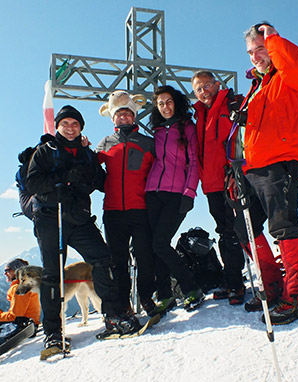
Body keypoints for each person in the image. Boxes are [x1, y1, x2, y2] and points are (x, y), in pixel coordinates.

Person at [26, 105, 143, 350]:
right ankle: (53, 332)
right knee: (52, 274)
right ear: (58, 126)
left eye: (75, 124)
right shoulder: (45, 151)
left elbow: (101, 183)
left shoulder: (87, 153)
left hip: (79, 217)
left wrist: (89, 174)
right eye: (65, 124)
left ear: (81, 128)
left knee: (103, 258)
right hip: (51, 217)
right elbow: (33, 182)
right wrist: (64, 178)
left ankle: (112, 315)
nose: (70, 128)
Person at [231, 22, 298, 325]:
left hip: (281, 161)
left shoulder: (290, 76)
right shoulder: (257, 88)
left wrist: (272, 37)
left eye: (261, 48)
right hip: (252, 166)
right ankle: (272, 288)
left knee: (283, 225)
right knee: (245, 228)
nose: (256, 55)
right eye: (251, 52)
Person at [191, 71, 283, 308]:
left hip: (233, 179)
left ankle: (270, 281)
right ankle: (234, 283)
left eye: (206, 86)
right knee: (225, 231)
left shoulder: (234, 104)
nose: (203, 91)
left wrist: (238, 171)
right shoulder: (199, 115)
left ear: (217, 84)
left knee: (242, 230)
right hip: (210, 184)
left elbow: (244, 138)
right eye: (198, 89)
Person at [97, 91, 157, 316]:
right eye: (118, 115)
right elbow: (89, 169)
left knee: (144, 256)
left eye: (127, 114)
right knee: (117, 260)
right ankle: (124, 303)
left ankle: (146, 297)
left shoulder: (148, 143)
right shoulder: (105, 143)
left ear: (134, 117)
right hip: (112, 211)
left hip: (140, 209)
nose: (123, 118)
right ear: (112, 118)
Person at [145, 85, 204, 311]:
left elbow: (194, 162)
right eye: (160, 103)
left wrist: (190, 191)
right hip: (153, 193)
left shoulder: (187, 128)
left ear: (176, 102)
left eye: (168, 102)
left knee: (160, 242)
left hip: (176, 193)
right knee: (156, 245)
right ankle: (165, 295)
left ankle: (191, 288)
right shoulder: (158, 131)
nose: (165, 107)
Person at [0, 258, 40, 329]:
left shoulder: (20, 288)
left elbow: (15, 317)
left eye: (7, 270)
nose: (5, 273)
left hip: (25, 327)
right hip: (30, 324)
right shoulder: (27, 284)